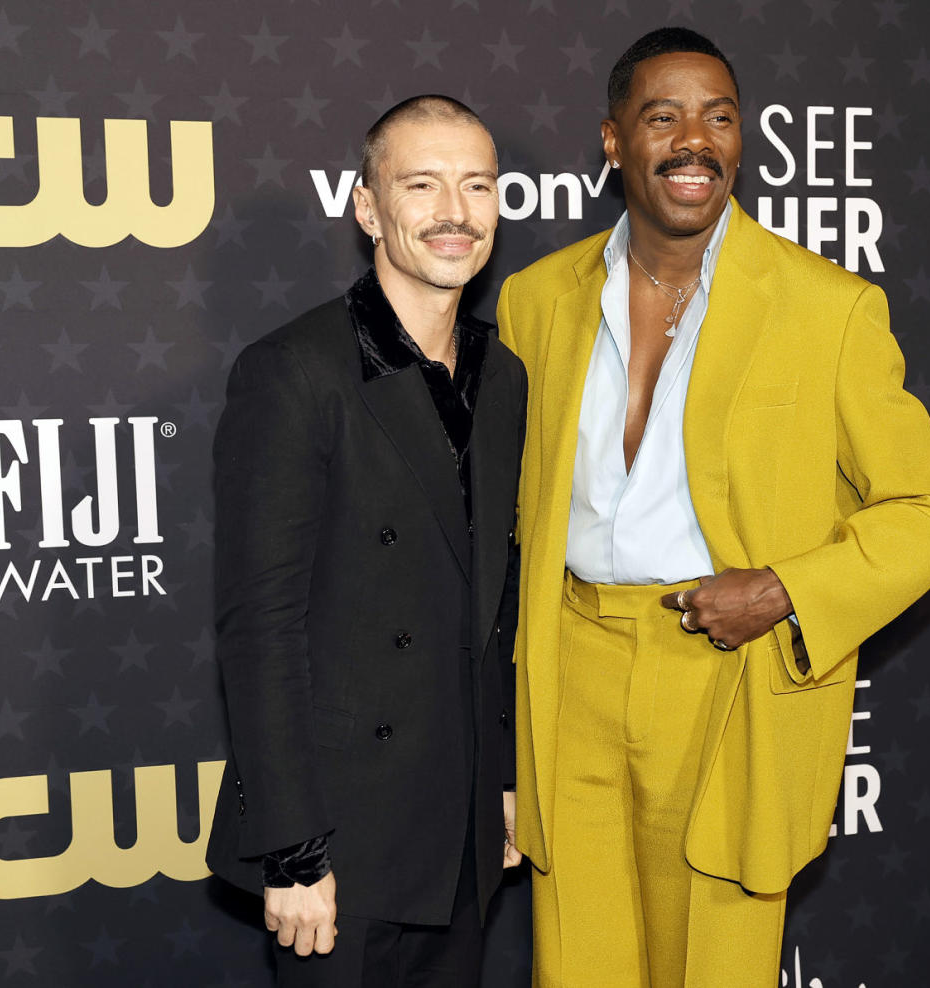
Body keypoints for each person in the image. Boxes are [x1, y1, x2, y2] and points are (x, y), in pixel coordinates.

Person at [496, 28, 930, 987]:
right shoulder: (533, 300)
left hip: (727, 677)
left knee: (712, 964)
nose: (696, 140)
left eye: (719, 117)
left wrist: (789, 589)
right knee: (577, 965)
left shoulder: (823, 306)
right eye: (663, 116)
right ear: (612, 140)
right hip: (571, 671)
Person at [206, 95, 526, 988]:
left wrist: (499, 780)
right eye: (420, 184)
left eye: (477, 185)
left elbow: (491, 605)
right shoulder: (296, 372)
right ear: (367, 207)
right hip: (340, 841)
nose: (454, 213)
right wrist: (294, 850)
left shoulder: (504, 380)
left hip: (459, 837)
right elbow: (258, 628)